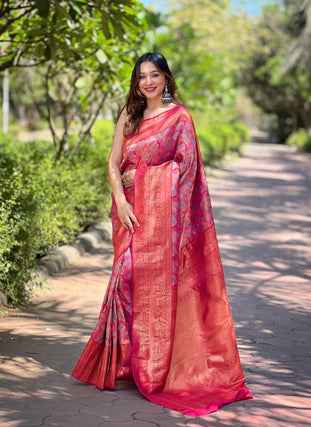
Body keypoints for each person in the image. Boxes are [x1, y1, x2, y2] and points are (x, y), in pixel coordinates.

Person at [72, 52, 252, 417]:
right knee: (123, 281)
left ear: (167, 79)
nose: (148, 82)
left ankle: (151, 367)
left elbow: (187, 170)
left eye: (155, 75)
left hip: (163, 220)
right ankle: (121, 365)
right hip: (131, 214)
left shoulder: (180, 118)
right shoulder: (130, 116)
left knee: (153, 289)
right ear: (136, 82)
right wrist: (121, 201)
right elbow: (112, 163)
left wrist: (141, 178)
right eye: (142, 77)